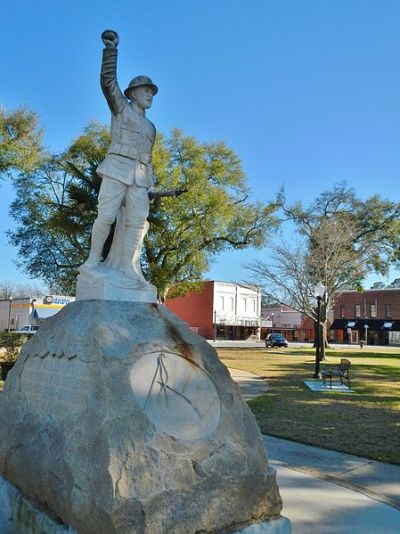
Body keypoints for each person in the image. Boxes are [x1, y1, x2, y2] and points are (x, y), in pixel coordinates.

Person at [82, 29, 158, 283]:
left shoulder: (151, 128)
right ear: (132, 93)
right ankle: (93, 259)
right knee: (106, 215)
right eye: (145, 90)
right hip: (116, 168)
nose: (150, 94)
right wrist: (110, 51)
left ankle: (128, 266)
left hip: (140, 179)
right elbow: (108, 82)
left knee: (138, 222)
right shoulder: (120, 108)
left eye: (151, 92)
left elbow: (148, 158)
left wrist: (151, 181)